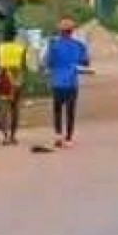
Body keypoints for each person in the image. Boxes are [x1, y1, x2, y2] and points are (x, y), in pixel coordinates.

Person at [43, 17, 91, 148]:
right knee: (70, 111)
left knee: (57, 110)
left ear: (60, 31)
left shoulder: (53, 44)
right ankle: (69, 138)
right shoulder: (79, 45)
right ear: (72, 31)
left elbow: (48, 62)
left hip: (57, 82)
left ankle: (58, 135)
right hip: (71, 83)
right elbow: (85, 62)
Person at [0, 27, 27, 146]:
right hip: (17, 81)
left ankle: (6, 137)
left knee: (3, 110)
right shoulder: (21, 48)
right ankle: (13, 136)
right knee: (15, 110)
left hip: (4, 80)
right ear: (14, 36)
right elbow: (23, 67)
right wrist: (21, 82)